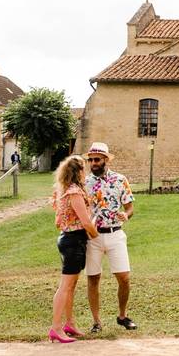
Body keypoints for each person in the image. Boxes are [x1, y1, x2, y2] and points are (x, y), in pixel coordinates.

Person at [83, 142, 137, 332]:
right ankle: (96, 322)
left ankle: (122, 316)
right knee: (93, 278)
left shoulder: (120, 180)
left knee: (124, 277)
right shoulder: (85, 182)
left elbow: (130, 207)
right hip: (93, 237)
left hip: (115, 234)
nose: (93, 163)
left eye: (97, 159)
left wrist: (126, 214)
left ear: (106, 160)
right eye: (90, 160)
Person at [49, 155, 98, 343]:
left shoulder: (63, 189)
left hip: (69, 238)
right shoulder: (75, 192)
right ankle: (55, 327)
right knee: (65, 286)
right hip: (73, 241)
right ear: (78, 171)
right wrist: (95, 235)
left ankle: (69, 324)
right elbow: (85, 221)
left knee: (70, 286)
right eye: (83, 169)